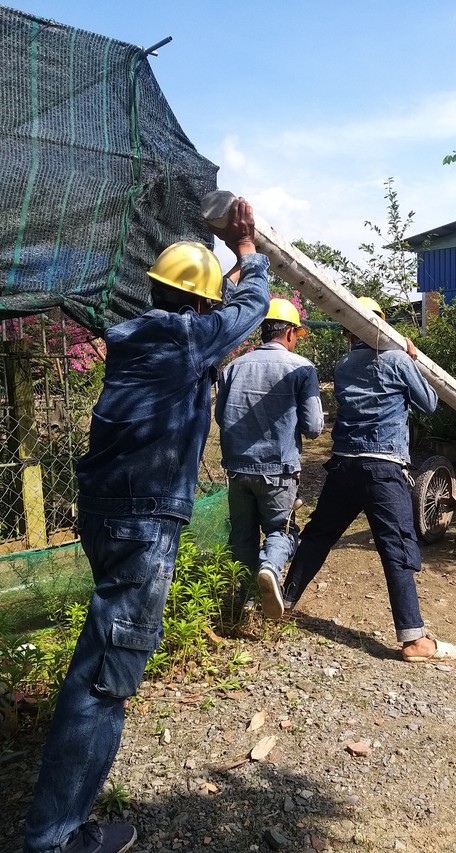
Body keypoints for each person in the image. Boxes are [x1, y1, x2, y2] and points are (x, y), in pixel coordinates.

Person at [23, 198, 270, 853]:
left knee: (105, 661)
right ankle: (55, 836)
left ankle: (61, 822)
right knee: (103, 676)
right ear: (198, 307)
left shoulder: (141, 337)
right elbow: (247, 312)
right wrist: (248, 252)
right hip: (141, 524)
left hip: (111, 515)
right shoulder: (181, 338)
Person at [281, 296, 456, 664]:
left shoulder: (345, 364)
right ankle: (414, 639)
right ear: (383, 326)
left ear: (350, 330)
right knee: (395, 545)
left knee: (319, 535)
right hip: (383, 467)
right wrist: (414, 363)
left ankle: (283, 602)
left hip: (345, 465)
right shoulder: (397, 360)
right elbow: (429, 403)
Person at [214, 298, 324, 619]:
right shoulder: (302, 368)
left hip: (236, 468)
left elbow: (222, 418)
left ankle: (246, 600)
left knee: (242, 535)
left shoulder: (232, 368)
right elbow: (315, 427)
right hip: (278, 471)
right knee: (282, 531)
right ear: (289, 332)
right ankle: (271, 570)